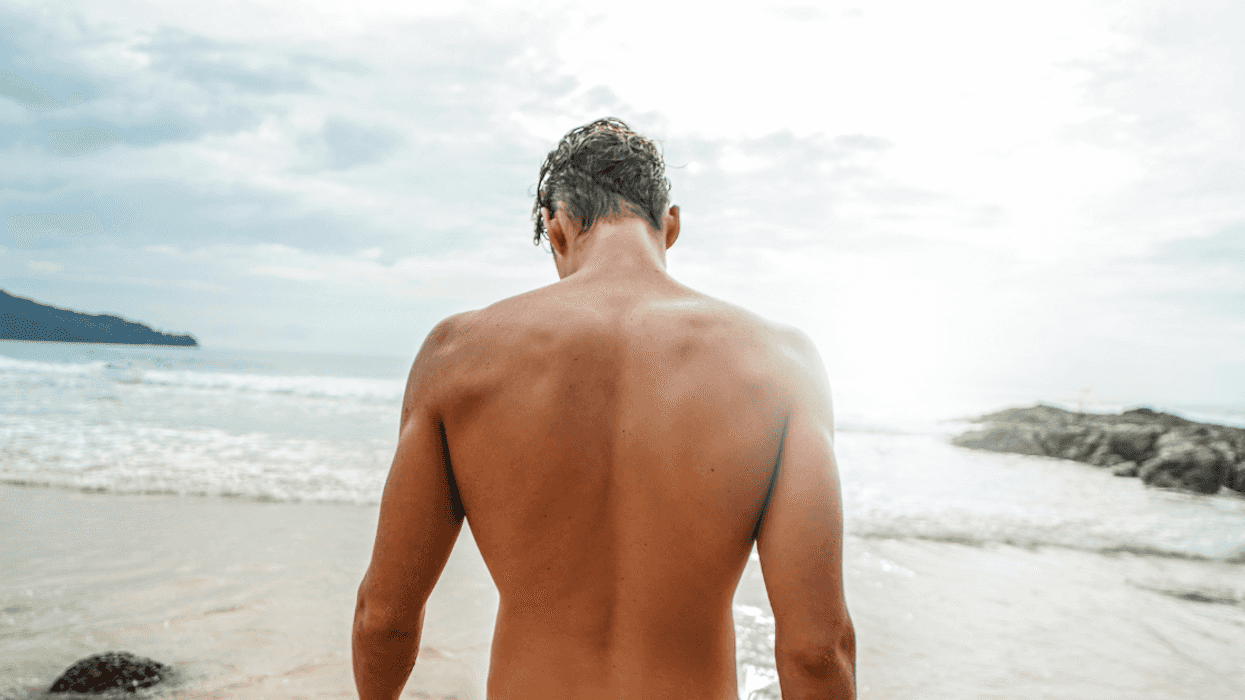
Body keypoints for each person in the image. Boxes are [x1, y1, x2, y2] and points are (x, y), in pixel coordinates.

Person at [353, 117, 855, 699]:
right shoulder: (781, 363)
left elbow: (383, 617)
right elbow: (817, 649)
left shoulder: (456, 354)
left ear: (557, 228)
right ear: (670, 225)